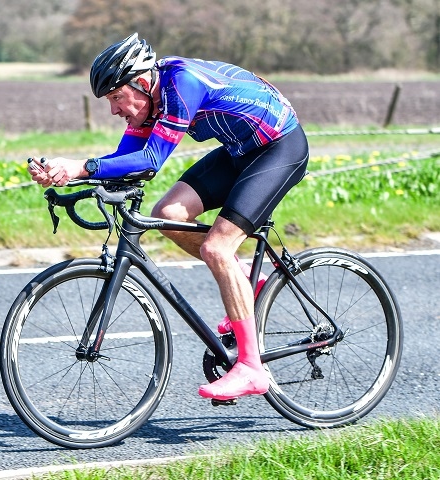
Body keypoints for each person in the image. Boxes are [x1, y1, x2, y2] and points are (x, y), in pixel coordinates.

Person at [28, 33, 309, 401]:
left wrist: (81, 167)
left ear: (141, 83)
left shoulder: (182, 85)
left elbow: (149, 161)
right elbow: (123, 160)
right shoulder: (150, 102)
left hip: (279, 148)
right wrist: (67, 174)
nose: (114, 110)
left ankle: (252, 369)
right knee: (168, 213)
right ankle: (246, 281)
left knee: (217, 249)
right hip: (240, 150)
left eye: (115, 97)